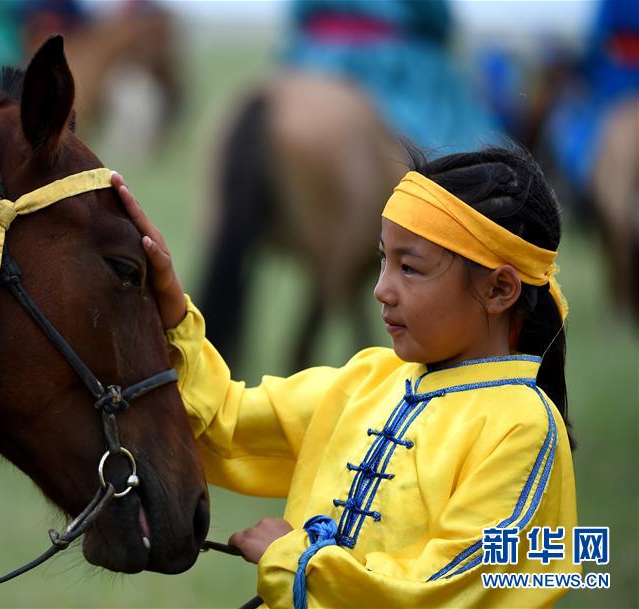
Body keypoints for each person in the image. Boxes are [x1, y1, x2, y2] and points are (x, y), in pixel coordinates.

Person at [111, 143, 578, 608]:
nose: (381, 290)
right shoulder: (369, 377)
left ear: (499, 289)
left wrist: (296, 562)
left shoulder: (524, 427)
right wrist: (168, 302)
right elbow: (224, 424)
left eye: (410, 268)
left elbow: (446, 588)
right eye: (383, 259)